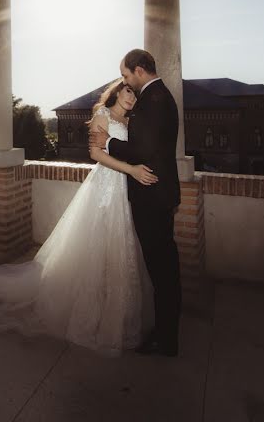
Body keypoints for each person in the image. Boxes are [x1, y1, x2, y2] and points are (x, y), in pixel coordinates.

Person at [0, 80, 157, 356]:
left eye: (136, 94)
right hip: (105, 188)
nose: (132, 97)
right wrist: (131, 169)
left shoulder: (130, 122)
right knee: (95, 248)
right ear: (118, 91)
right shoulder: (101, 114)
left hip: (125, 193)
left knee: (120, 250)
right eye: (129, 91)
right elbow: (96, 155)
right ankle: (89, 314)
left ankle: (114, 313)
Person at [89, 49, 182, 357]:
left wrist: (111, 143)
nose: (126, 83)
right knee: (162, 268)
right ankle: (165, 333)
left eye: (127, 75)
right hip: (151, 194)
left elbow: (143, 149)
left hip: (152, 197)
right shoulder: (155, 99)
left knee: (162, 271)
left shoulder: (154, 100)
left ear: (140, 70)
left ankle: (166, 338)